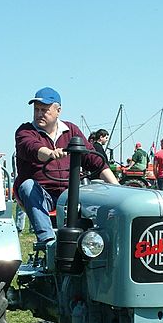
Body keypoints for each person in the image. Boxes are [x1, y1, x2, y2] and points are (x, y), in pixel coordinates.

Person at [14, 87, 118, 244]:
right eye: (36, 110)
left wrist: (118, 187)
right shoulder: (25, 131)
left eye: (44, 109)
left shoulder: (71, 131)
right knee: (28, 186)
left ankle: (99, 244)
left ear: (58, 111)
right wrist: (49, 153)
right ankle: (47, 242)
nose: (39, 114)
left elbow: (94, 160)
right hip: (42, 195)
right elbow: (30, 147)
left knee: (98, 192)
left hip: (70, 194)